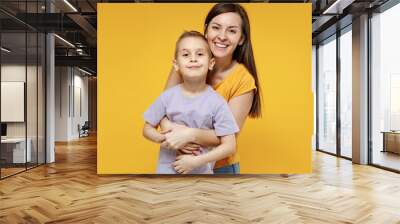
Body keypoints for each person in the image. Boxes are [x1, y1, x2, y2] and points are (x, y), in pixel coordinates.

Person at [161, 3, 262, 174]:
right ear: (206, 30)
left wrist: (188, 134)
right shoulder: (186, 59)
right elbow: (162, 109)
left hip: (221, 169)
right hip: (177, 160)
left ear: (241, 39)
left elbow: (227, 137)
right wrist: (174, 136)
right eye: (216, 28)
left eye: (231, 30)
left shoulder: (244, 81)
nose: (222, 36)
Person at [143, 31, 239, 174]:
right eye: (186, 54)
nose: (193, 59)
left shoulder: (217, 102)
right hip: (166, 175)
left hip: (201, 177)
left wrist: (195, 162)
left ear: (211, 63)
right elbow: (147, 129)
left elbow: (230, 146)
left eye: (199, 54)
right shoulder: (167, 97)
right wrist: (168, 140)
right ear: (176, 64)